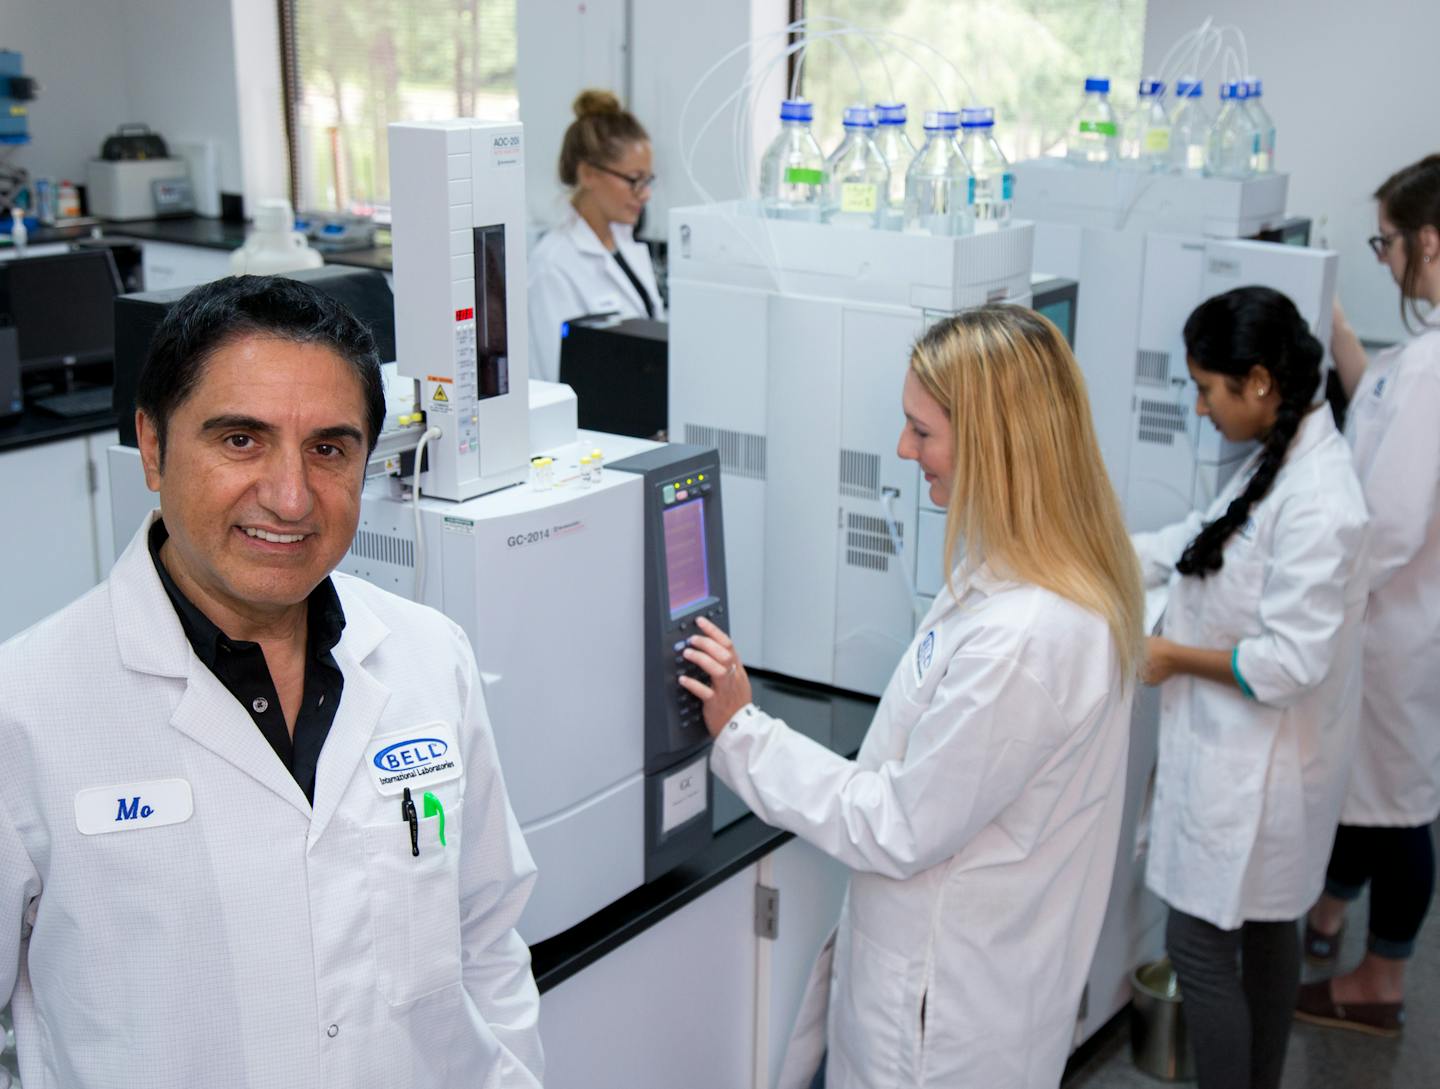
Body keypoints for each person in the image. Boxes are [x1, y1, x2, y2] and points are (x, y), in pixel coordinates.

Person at [0, 276, 544, 1088]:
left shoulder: (432, 656)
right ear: (152, 447)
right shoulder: (27, 708)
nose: (290, 497)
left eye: (329, 448)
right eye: (241, 440)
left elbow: (488, 936)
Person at [682, 305, 1143, 1089]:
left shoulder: (1023, 635)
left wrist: (743, 732)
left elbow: (896, 823)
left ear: (996, 444)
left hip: (947, 1024)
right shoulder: (1023, 578)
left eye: (922, 431)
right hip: (964, 979)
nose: (904, 450)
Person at [1134, 286, 1369, 1089]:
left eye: (1208, 388)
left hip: (1258, 770)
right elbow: (1207, 542)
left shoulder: (1321, 499)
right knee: (1271, 935)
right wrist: (1105, 553)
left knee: (1200, 951)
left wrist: (1171, 654)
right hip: (1255, 763)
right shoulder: (1281, 454)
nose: (1200, 408)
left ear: (1260, 382)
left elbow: (1286, 662)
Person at [1298, 153, 1440, 1037]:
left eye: (1387, 243)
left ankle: (1381, 982)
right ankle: (1329, 914)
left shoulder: (1431, 369)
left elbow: (1387, 523)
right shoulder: (1417, 365)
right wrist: (1334, 320)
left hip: (1395, 621)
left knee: (1396, 803)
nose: (1384, 260)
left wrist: (1316, 597)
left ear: (1430, 241)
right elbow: (1377, 395)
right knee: (1372, 785)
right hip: (1404, 616)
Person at [527, 89, 663, 382]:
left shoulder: (625, 244)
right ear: (588, 174)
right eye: (634, 180)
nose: (646, 194)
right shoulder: (552, 267)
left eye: (647, 180)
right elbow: (554, 377)